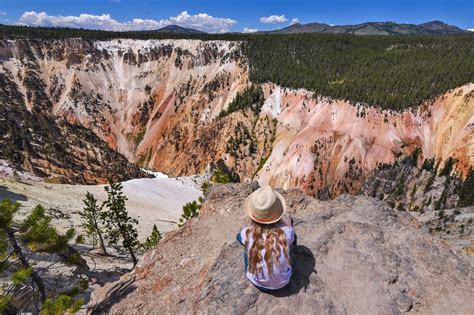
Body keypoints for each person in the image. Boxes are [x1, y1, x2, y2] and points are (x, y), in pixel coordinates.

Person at [236, 185, 296, 291]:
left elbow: (238, 237)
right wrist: (288, 225)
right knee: (288, 244)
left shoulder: (248, 233)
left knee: (247, 247)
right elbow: (292, 237)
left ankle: (254, 267)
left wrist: (245, 231)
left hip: (256, 282)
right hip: (283, 282)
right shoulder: (287, 232)